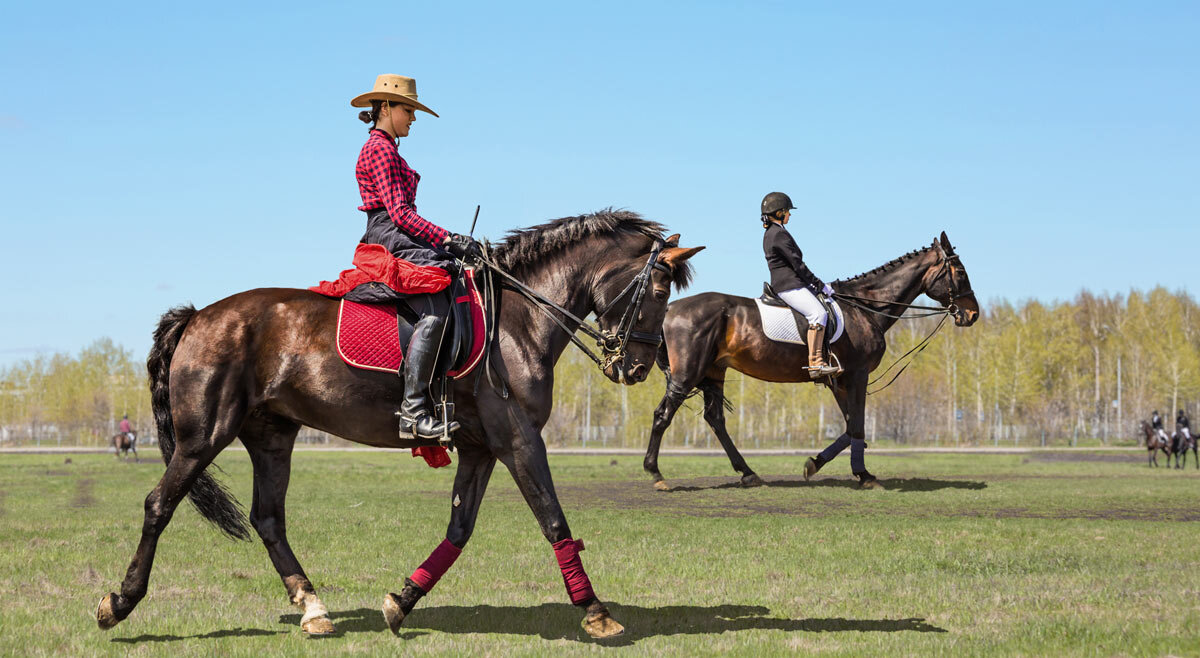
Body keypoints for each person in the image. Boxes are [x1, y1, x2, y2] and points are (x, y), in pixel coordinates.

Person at [351, 74, 479, 440]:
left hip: (398, 230)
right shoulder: (380, 149)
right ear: (387, 107)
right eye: (409, 109)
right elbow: (401, 214)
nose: (413, 118)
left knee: (450, 268)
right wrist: (449, 239)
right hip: (389, 232)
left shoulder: (390, 148)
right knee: (439, 285)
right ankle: (413, 411)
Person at [761, 192, 841, 377]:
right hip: (789, 285)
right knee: (818, 313)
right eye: (787, 211)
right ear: (780, 212)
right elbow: (797, 265)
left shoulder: (771, 233)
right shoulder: (779, 234)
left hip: (787, 283)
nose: (790, 215)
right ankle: (815, 363)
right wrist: (819, 285)